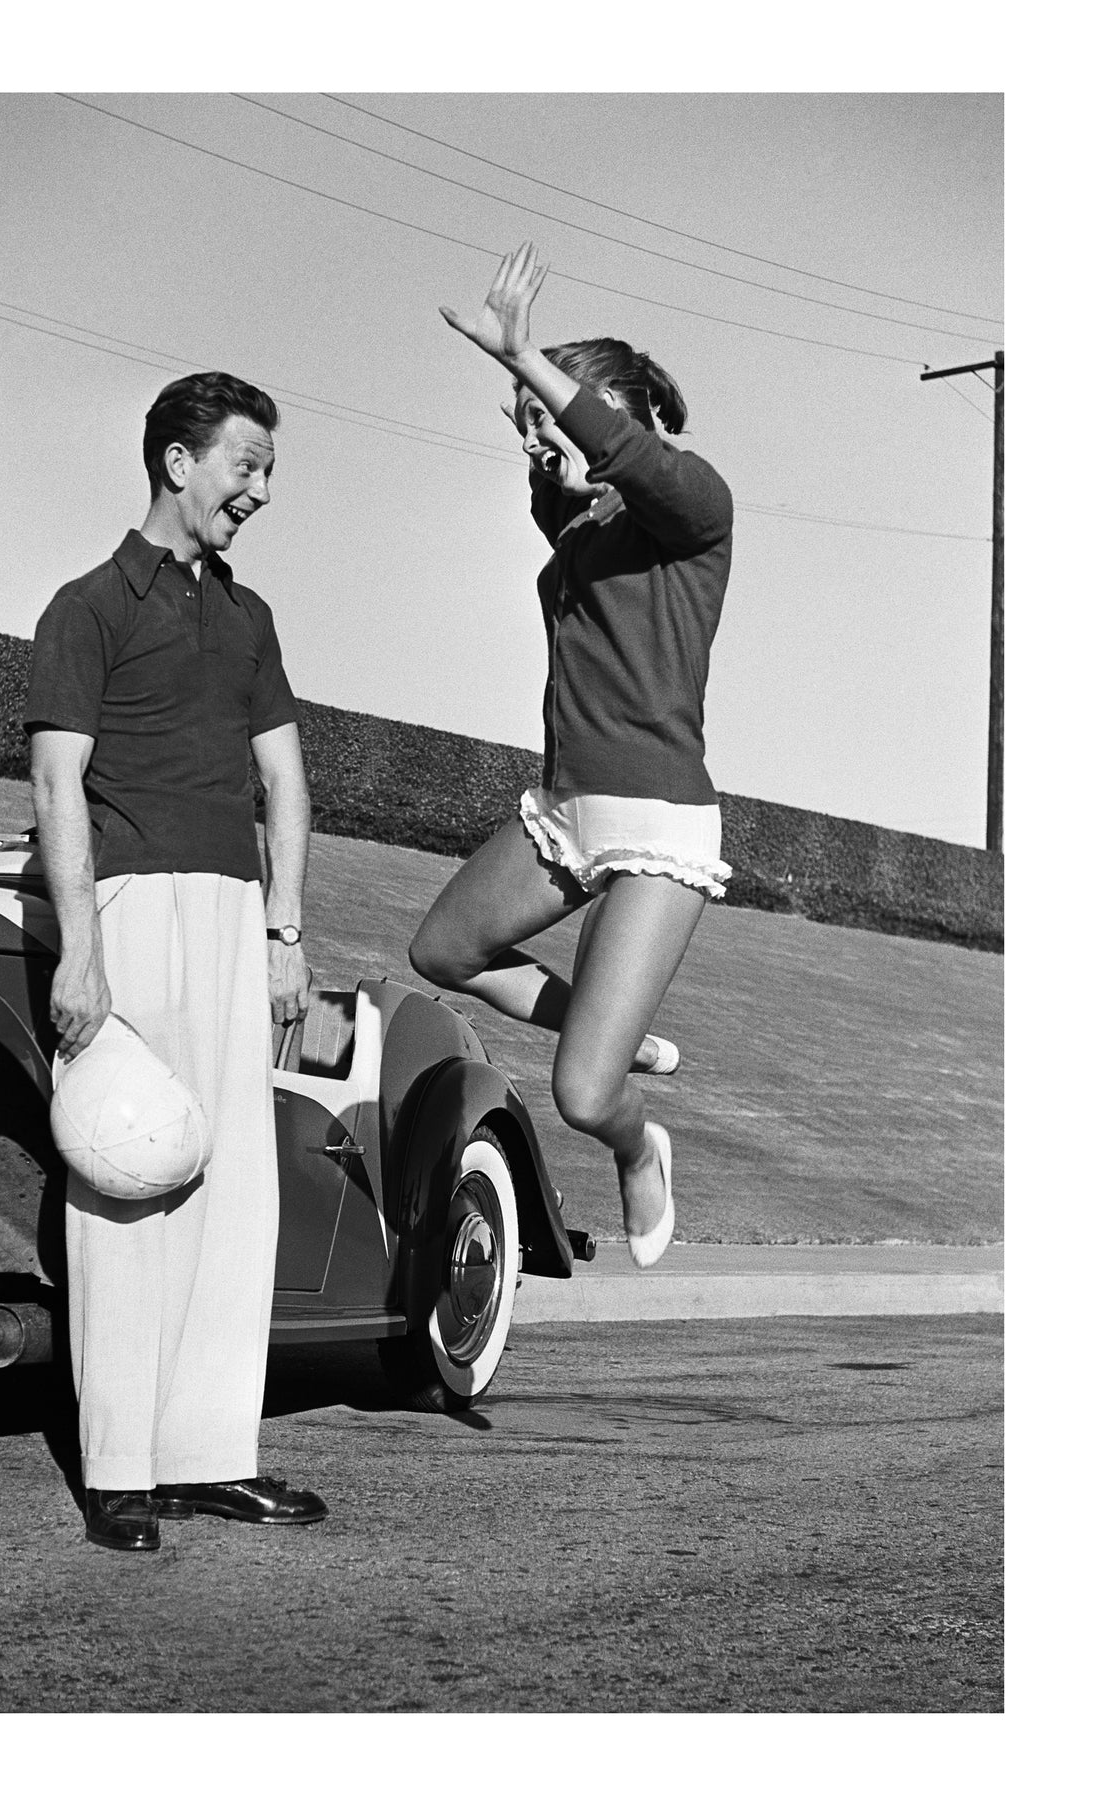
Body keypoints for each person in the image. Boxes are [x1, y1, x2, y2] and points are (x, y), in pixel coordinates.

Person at [25, 370, 327, 1552]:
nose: (257, 491)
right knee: (126, 1179)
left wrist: (285, 932)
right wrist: (80, 958)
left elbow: (285, 782)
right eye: (244, 465)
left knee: (232, 1185)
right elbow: (57, 783)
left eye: (265, 472)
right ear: (177, 463)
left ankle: (209, 1456)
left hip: (233, 919)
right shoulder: (85, 607)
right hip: (127, 907)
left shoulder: (247, 619)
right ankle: (118, 1473)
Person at [410, 243, 734, 1268]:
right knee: (443, 954)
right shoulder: (579, 525)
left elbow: (628, 459)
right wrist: (530, 412)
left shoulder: (692, 511)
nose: (537, 442)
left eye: (550, 419)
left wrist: (528, 364)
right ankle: (609, 1024)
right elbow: (570, 478)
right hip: (563, 811)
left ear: (614, 412)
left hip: (654, 829)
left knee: (582, 1095)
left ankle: (641, 1146)